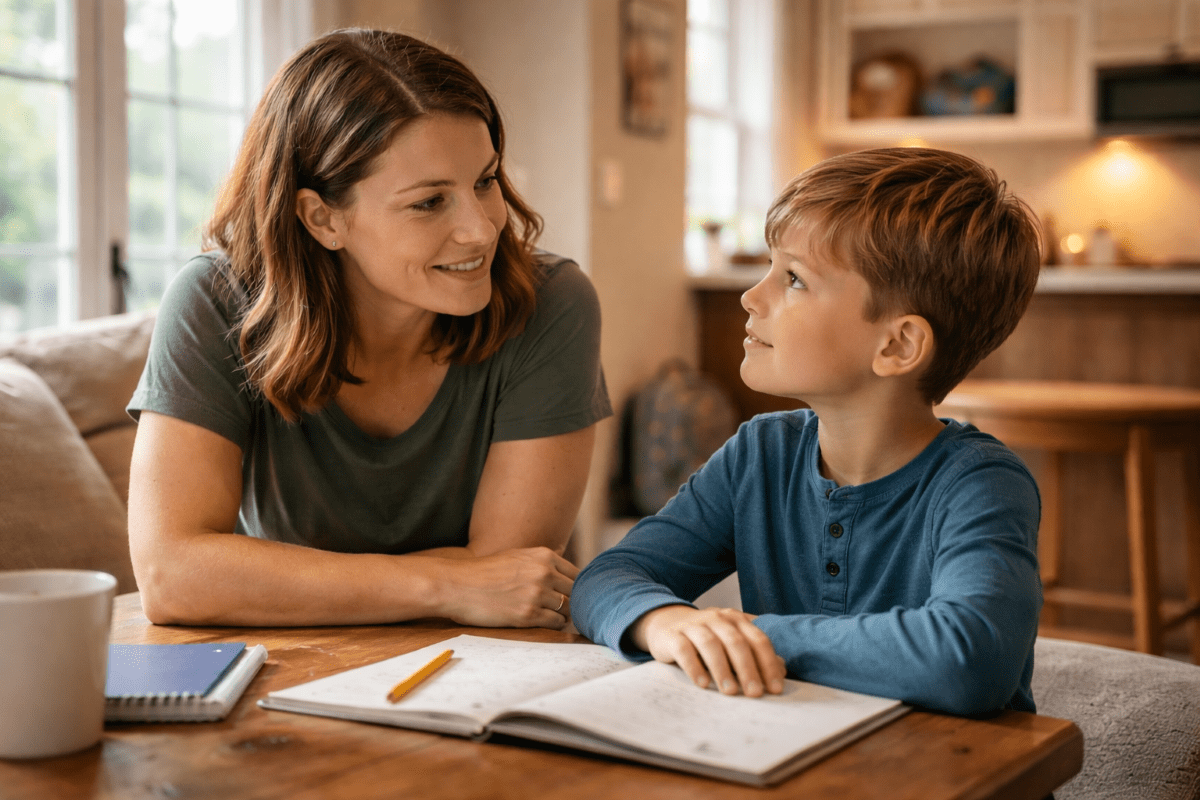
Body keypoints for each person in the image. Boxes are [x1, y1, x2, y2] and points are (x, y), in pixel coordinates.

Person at [126, 29, 611, 629]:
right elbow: (172, 575)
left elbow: (509, 572)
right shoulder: (216, 302)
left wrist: (266, 578)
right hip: (287, 664)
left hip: (486, 661)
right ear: (323, 218)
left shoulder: (552, 303)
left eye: (484, 181)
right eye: (429, 202)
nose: (483, 229)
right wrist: (446, 581)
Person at [572, 147, 1044, 716]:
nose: (751, 297)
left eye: (793, 278)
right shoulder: (759, 454)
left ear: (897, 345)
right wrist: (664, 622)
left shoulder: (981, 484)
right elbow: (608, 576)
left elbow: (971, 659)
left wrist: (754, 635)